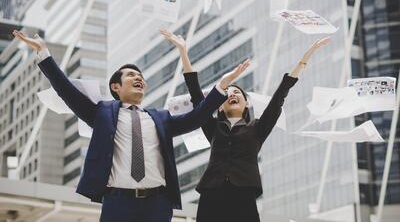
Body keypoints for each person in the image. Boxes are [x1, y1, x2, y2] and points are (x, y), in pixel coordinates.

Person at [13, 30, 250, 222]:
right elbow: (67, 91)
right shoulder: (102, 114)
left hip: (158, 204)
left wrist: (221, 86)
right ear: (116, 87)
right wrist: (43, 53)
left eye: (141, 76)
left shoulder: (161, 118)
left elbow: (197, 118)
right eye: (130, 75)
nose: (138, 77)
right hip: (118, 204)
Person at [161, 28, 330, 222]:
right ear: (219, 106)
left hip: (244, 193)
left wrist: (304, 59)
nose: (231, 94)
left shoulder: (258, 127)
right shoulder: (212, 126)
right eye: (227, 93)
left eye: (237, 93)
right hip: (211, 194)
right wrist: (183, 51)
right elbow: (195, 93)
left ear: (246, 103)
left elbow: (279, 96)